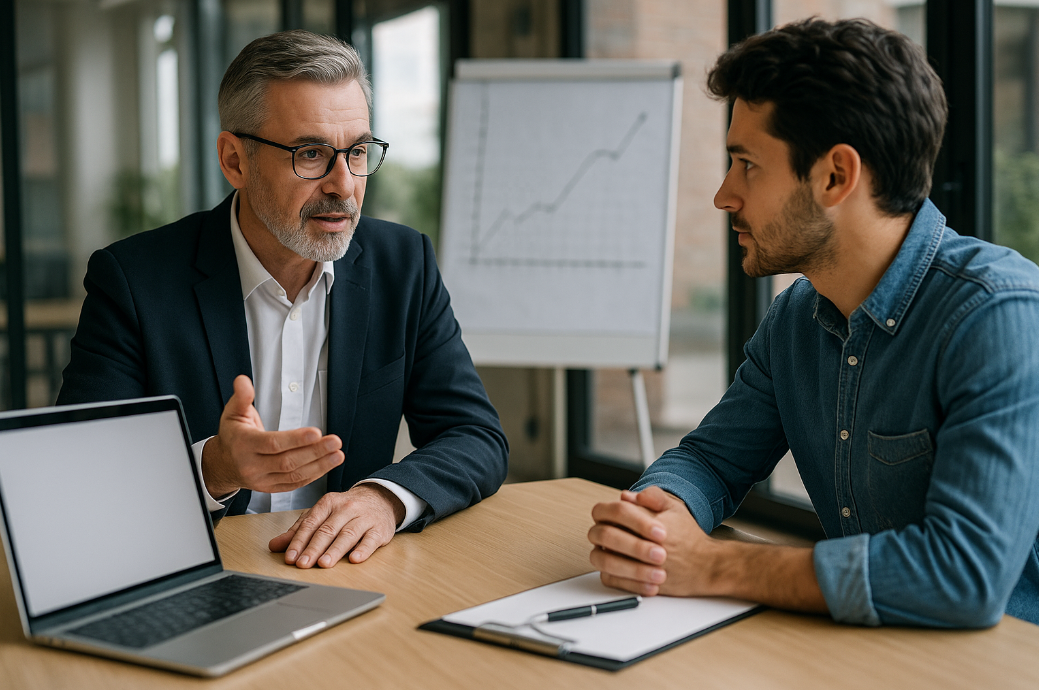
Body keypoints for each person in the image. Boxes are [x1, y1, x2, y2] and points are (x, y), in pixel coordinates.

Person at [587, 17, 1039, 628]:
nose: (724, 195)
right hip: (866, 653)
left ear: (835, 176)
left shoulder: (998, 315)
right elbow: (712, 461)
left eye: (747, 164)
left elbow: (963, 575)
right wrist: (652, 520)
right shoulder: (797, 316)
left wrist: (714, 567)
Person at [58, 30, 508, 570]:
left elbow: (475, 435)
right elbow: (81, 481)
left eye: (358, 152)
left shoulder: (402, 264)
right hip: (199, 576)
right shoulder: (133, 281)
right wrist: (212, 469)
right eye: (311, 154)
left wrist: (383, 498)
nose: (344, 184)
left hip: (349, 575)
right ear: (234, 160)